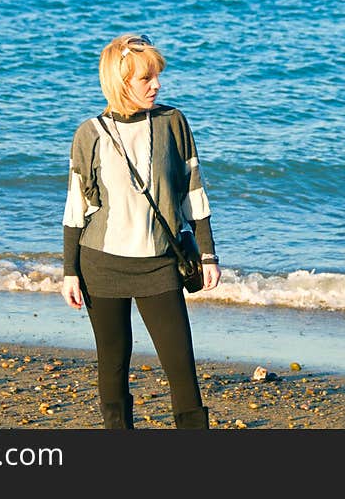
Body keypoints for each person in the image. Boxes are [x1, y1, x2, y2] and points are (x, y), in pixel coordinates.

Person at [60, 33, 221, 429]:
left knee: (180, 364)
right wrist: (69, 271)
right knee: (113, 363)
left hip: (160, 264)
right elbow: (76, 207)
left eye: (157, 76)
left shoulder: (172, 122)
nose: (157, 84)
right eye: (146, 78)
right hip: (101, 265)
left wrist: (208, 252)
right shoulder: (89, 134)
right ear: (121, 82)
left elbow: (193, 192)